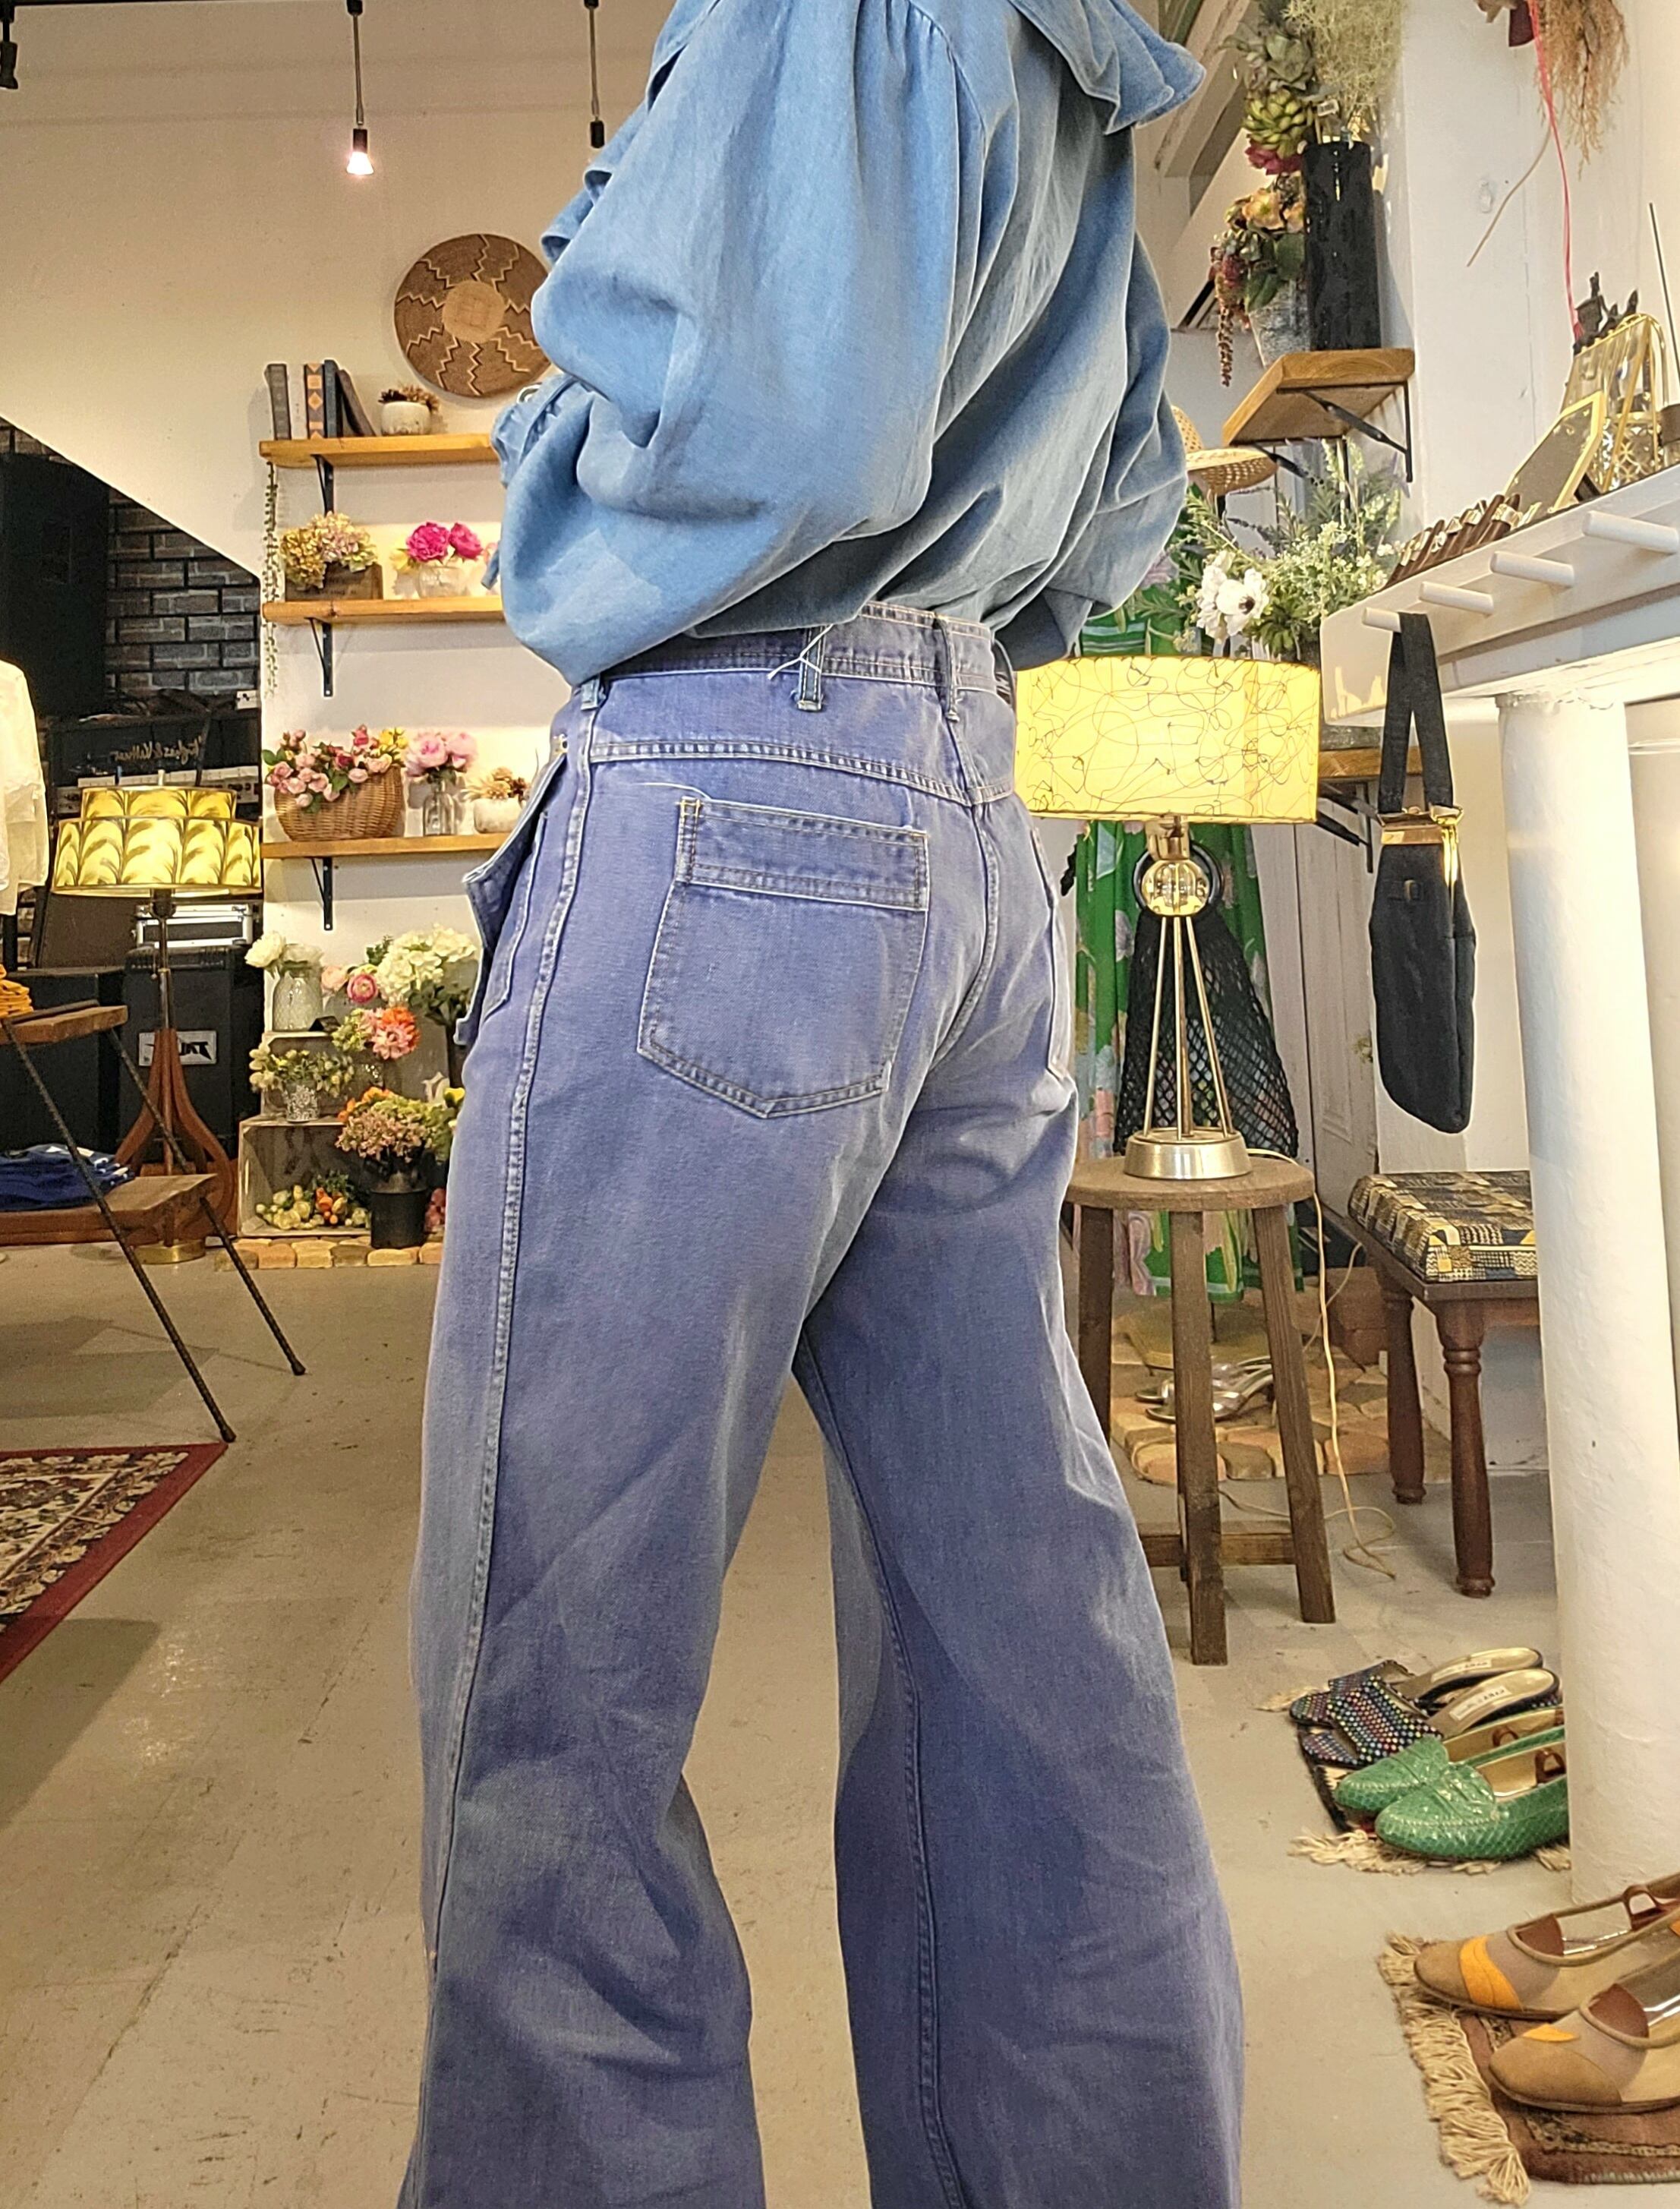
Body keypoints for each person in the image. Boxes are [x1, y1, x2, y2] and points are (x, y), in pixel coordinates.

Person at [402, 2, 1243, 2204]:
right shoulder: (1071, 57)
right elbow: (1120, 503)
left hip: (725, 771)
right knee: (1020, 1638)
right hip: (966, 804)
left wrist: (553, 465)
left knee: (554, 1683)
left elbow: (769, 432)